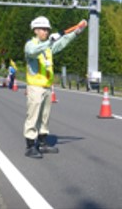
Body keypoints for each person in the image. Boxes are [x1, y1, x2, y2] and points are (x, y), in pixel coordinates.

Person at [24, 16, 87, 158]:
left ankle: (43, 142)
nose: (46, 32)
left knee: (45, 117)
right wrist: (50, 42)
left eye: (47, 29)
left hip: (46, 87)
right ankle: (30, 146)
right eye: (43, 29)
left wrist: (77, 31)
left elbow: (62, 42)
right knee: (33, 116)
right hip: (35, 86)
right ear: (35, 30)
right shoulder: (31, 44)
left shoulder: (48, 47)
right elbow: (32, 52)